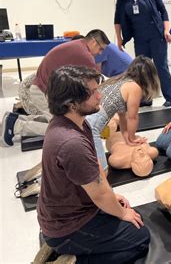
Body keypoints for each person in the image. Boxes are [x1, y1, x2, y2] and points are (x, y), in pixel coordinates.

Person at [36, 65, 150, 263]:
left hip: (73, 212)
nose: (100, 96)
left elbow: (97, 172)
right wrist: (119, 211)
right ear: (72, 103)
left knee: (135, 217)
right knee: (140, 239)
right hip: (66, 227)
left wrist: (113, 198)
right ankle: (70, 259)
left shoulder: (77, 122)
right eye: (93, 93)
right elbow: (98, 193)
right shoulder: (71, 142)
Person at [1, 29, 110, 146]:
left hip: (39, 87)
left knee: (55, 118)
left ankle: (14, 119)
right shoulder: (86, 56)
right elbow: (90, 89)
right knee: (61, 127)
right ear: (94, 42)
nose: (100, 53)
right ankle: (17, 126)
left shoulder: (77, 44)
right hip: (42, 91)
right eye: (101, 49)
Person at [114, 0, 171, 107]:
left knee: (161, 66)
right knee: (142, 69)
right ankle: (145, 98)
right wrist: (119, 38)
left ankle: (170, 97)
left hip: (156, 36)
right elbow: (117, 19)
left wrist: (166, 30)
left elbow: (163, 11)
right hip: (139, 37)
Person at [86, 55, 160, 170]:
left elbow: (122, 114)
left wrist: (127, 136)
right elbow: (132, 117)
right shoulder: (135, 87)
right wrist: (132, 137)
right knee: (102, 170)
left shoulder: (119, 80)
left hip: (84, 117)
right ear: (149, 77)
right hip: (93, 124)